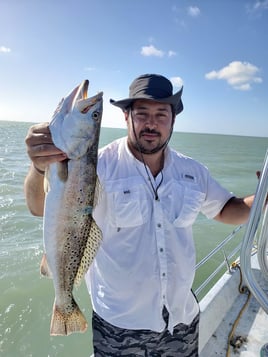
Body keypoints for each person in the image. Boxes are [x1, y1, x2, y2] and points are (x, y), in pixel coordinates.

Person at [24, 74, 255, 357]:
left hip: (182, 322)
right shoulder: (96, 166)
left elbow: (226, 209)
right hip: (118, 329)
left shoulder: (193, 171)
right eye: (142, 113)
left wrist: (263, 197)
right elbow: (39, 207)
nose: (151, 123)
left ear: (173, 119)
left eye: (161, 114)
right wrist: (38, 167)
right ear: (126, 116)